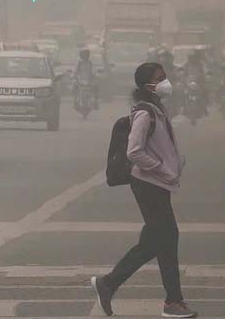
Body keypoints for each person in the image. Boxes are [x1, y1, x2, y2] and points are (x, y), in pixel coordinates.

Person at [91, 62, 197, 319]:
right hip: (149, 184)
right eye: (159, 78)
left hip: (157, 184)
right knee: (167, 240)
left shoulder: (156, 109)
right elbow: (134, 151)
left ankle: (109, 283)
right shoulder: (144, 113)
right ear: (146, 84)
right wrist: (161, 168)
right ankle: (173, 302)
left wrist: (175, 164)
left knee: (154, 242)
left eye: (165, 77)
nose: (165, 82)